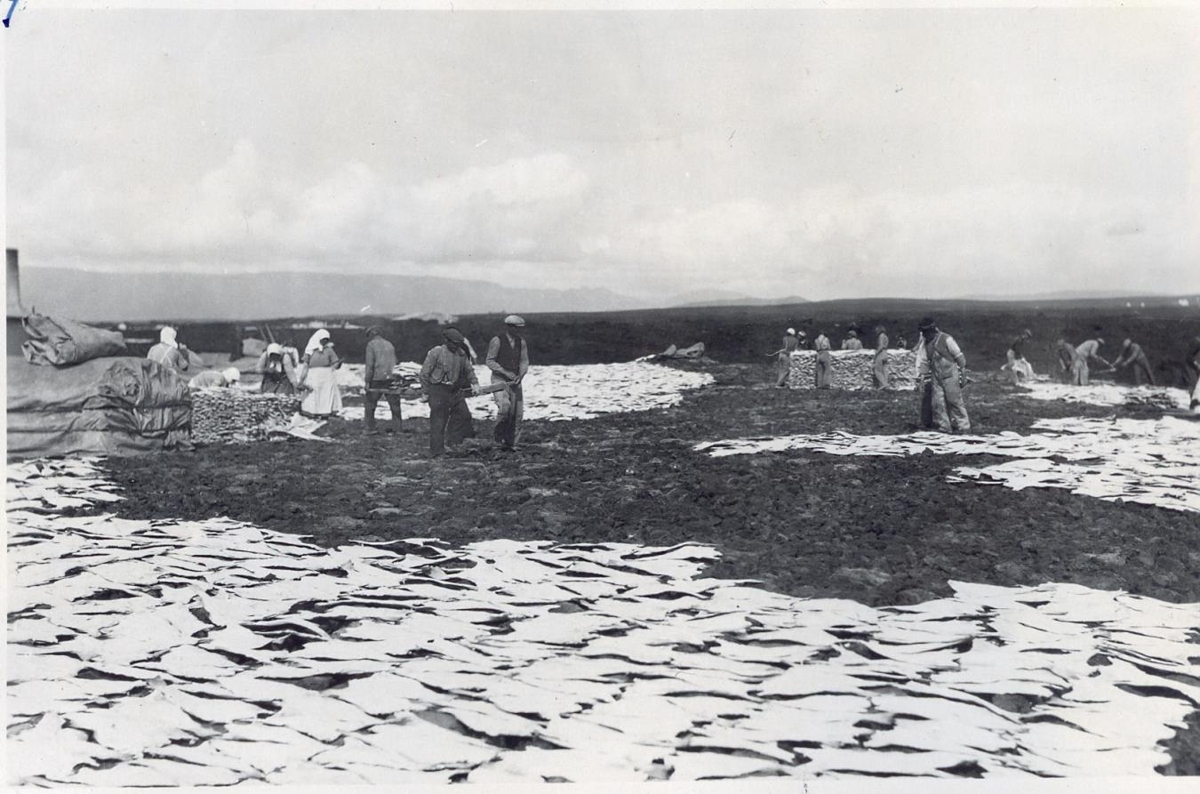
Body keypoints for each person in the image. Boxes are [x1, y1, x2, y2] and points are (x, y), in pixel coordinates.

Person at [421, 328, 481, 457]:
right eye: (454, 343)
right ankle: (437, 452)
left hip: (455, 390)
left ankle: (452, 443)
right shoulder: (436, 352)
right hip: (438, 389)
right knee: (438, 420)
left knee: (464, 415)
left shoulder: (461, 354)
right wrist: (425, 392)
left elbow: (469, 370)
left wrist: (475, 383)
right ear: (446, 341)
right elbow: (425, 373)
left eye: (458, 344)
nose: (456, 346)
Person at [914, 317, 970, 433]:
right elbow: (924, 361)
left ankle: (963, 426)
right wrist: (922, 379)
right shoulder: (925, 344)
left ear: (932, 330)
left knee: (954, 401)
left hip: (950, 375)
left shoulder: (946, 339)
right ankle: (944, 426)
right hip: (936, 376)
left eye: (926, 332)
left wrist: (963, 374)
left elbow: (958, 356)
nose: (925, 335)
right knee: (937, 403)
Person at [486, 315, 531, 450]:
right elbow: (490, 361)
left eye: (520, 328)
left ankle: (512, 443)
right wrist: (505, 372)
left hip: (515, 380)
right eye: (516, 328)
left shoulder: (521, 342)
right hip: (499, 379)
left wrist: (521, 374)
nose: (519, 331)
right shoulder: (497, 341)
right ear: (509, 327)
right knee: (505, 407)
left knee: (517, 412)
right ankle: (498, 440)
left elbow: (524, 361)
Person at [363, 326, 403, 432]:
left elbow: (370, 364)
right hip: (391, 377)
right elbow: (396, 361)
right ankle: (398, 428)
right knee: (395, 405)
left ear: (372, 334)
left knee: (370, 404)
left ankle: (370, 428)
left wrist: (367, 381)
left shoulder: (371, 345)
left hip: (377, 378)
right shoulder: (389, 344)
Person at [299, 329, 343, 417]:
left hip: (327, 376)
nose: (325, 341)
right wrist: (301, 380)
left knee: (326, 394)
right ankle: (312, 413)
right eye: (323, 339)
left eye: (326, 340)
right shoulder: (309, 351)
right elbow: (305, 366)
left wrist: (339, 364)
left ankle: (325, 412)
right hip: (313, 376)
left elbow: (335, 365)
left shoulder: (329, 350)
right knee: (313, 395)